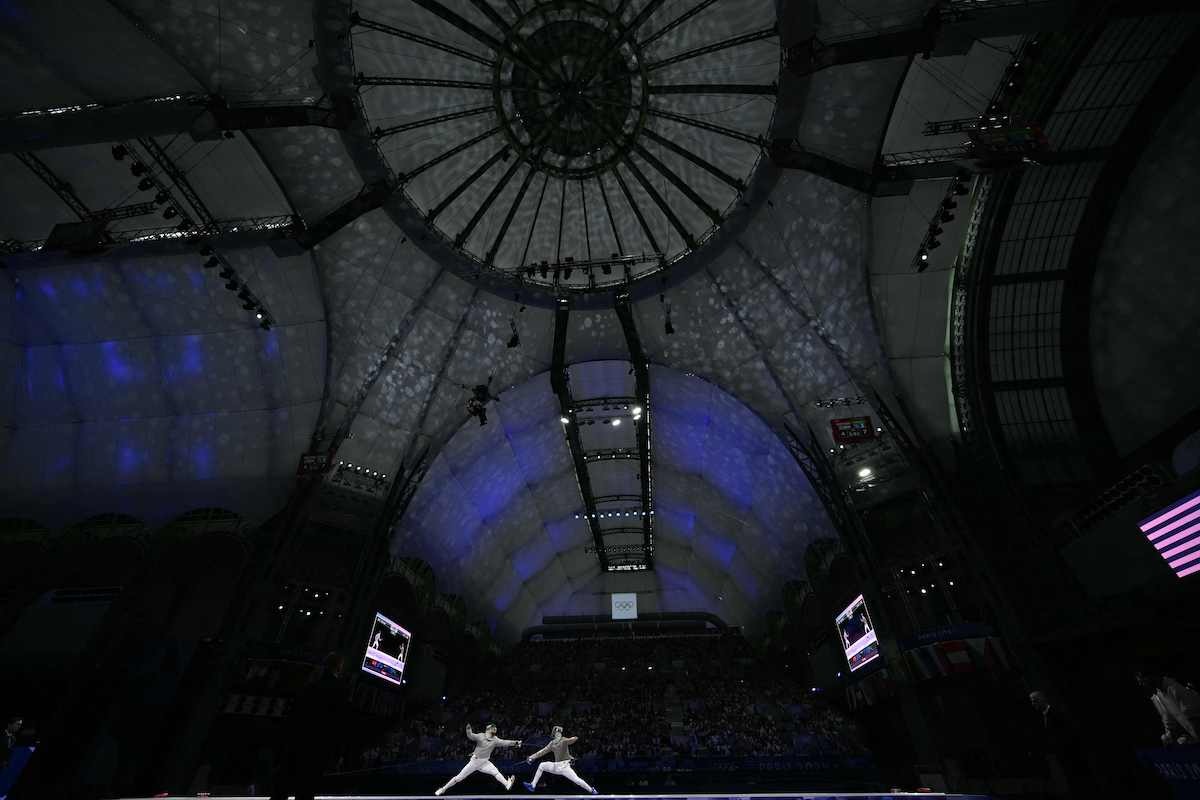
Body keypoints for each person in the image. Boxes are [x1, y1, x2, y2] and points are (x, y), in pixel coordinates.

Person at [270, 652, 348, 800]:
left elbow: (295, 713)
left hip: (298, 740)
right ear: (339, 667)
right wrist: (337, 750)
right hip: (318, 744)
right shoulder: (339, 689)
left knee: (282, 786)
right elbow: (338, 721)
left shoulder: (311, 684)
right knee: (306, 789)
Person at [435, 723, 522, 796]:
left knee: (496, 772)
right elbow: (470, 736)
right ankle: (443, 789)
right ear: (488, 729)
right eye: (493, 727)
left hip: (484, 762)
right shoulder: (481, 736)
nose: (495, 728)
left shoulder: (495, 740)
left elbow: (505, 742)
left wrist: (516, 743)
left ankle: (507, 784)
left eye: (495, 728)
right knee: (458, 778)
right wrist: (468, 729)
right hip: (474, 762)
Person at [523, 725, 597, 794]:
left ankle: (591, 790)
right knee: (542, 765)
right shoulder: (552, 743)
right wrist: (531, 757)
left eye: (559, 733)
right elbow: (542, 752)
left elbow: (572, 740)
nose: (558, 734)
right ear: (554, 734)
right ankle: (532, 785)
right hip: (556, 766)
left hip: (564, 767)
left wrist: (574, 738)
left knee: (577, 780)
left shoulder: (564, 740)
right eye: (557, 733)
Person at [1137, 672, 1200, 744]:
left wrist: (1192, 738)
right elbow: (1170, 722)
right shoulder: (1158, 694)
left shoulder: (1175, 687)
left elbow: (1194, 718)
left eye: (1142, 680)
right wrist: (1169, 735)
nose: (1140, 684)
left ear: (1150, 677)